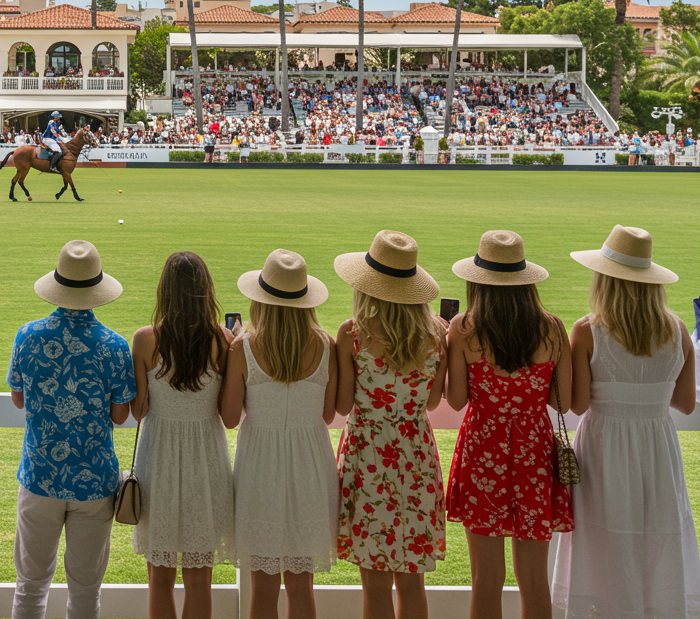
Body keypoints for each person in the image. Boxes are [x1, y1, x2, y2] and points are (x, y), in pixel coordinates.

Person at [552, 226, 700, 619]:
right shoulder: (677, 330)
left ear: (605, 279)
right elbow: (686, 403)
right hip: (657, 447)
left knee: (604, 536)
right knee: (655, 534)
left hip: (605, 446)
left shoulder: (588, 330)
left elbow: (578, 405)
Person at [445, 231, 573, 619]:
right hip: (534, 452)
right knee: (534, 580)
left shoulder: (464, 329)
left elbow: (456, 400)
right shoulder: (552, 328)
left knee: (486, 579)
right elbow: (562, 402)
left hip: (483, 449)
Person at [7, 240, 137, 619]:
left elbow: (18, 398)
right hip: (95, 481)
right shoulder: (114, 346)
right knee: (85, 591)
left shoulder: (28, 335)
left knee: (30, 586)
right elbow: (120, 415)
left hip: (40, 475)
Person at [333, 231, 447, 619]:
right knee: (412, 583)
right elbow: (432, 401)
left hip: (367, 456)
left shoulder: (352, 334)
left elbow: (343, 403)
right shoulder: (436, 334)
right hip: (416, 456)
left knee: (375, 584)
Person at [221, 249, 338, 619]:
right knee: (302, 587)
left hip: (260, 466)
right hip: (310, 464)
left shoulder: (243, 347)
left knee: (263, 588)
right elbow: (328, 413)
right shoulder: (326, 346)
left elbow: (230, 416)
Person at [129, 252, 234, 619]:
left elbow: (139, 410)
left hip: (158, 454)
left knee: (159, 577)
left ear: (165, 291)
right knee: (199, 578)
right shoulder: (223, 339)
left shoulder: (145, 339)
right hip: (206, 455)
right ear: (206, 290)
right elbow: (227, 411)